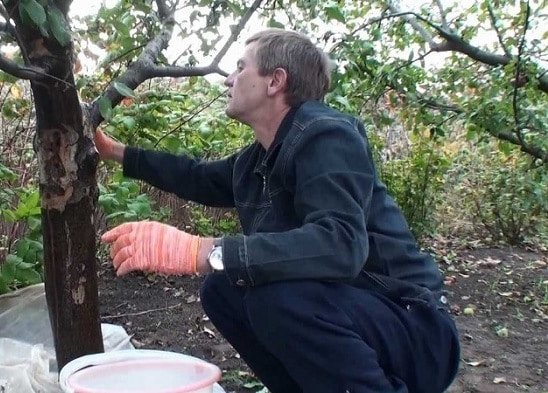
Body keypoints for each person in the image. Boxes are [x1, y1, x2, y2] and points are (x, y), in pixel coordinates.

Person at [96, 29, 460, 393]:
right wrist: (117, 152)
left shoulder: (328, 136)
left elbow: (341, 243)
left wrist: (204, 250)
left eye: (241, 67)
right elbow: (198, 177)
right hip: (356, 316)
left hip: (415, 329)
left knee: (277, 298)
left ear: (275, 81)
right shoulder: (259, 159)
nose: (230, 79)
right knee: (222, 289)